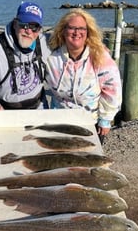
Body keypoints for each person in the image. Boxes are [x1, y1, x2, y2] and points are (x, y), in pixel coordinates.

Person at [45, 8, 122, 137]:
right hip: (58, 122)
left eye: (82, 29)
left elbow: (112, 89)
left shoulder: (100, 57)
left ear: (88, 32)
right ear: (63, 31)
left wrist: (105, 119)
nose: (77, 32)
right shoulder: (51, 57)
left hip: (90, 122)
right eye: (72, 28)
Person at [0, 2, 51, 113]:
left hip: (39, 108)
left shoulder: (45, 43)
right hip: (6, 112)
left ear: (40, 30)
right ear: (15, 23)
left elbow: (71, 40)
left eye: (34, 27)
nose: (28, 31)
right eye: (24, 25)